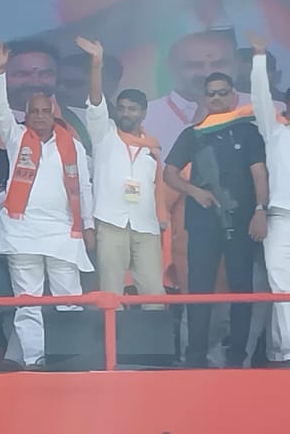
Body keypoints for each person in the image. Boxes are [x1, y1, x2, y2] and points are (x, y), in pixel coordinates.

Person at [0, 40, 94, 370]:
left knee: (69, 300)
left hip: (63, 232)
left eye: (46, 111)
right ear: (27, 116)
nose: (41, 116)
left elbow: (84, 187)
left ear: (54, 112)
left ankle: (70, 356)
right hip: (22, 232)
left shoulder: (72, 145)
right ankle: (34, 360)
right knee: (27, 303)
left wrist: (88, 225)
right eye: (35, 112)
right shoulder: (16, 138)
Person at [164, 71, 268, 368]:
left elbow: (259, 173)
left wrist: (260, 210)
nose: (217, 98)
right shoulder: (193, 133)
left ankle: (237, 357)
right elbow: (169, 173)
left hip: (242, 221)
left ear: (233, 95)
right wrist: (194, 191)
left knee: (242, 290)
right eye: (211, 93)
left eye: (223, 92)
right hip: (202, 224)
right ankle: (194, 357)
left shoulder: (248, 131)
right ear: (204, 97)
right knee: (199, 289)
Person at [77, 37, 167, 303]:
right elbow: (95, 103)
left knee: (154, 292)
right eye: (122, 108)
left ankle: (153, 333)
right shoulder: (104, 134)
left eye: (132, 109)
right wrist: (97, 64)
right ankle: (112, 332)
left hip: (146, 225)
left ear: (143, 113)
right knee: (111, 291)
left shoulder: (152, 147)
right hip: (111, 222)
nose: (126, 113)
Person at [250, 33, 290, 366]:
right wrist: (260, 57)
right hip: (279, 220)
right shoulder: (276, 132)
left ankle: (281, 350)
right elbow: (261, 98)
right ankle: (283, 352)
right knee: (281, 289)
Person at [145, 30, 250, 154]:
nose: (207, 73)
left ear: (236, 63)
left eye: (218, 64)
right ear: (171, 66)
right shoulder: (146, 116)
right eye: (194, 65)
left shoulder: (260, 108)